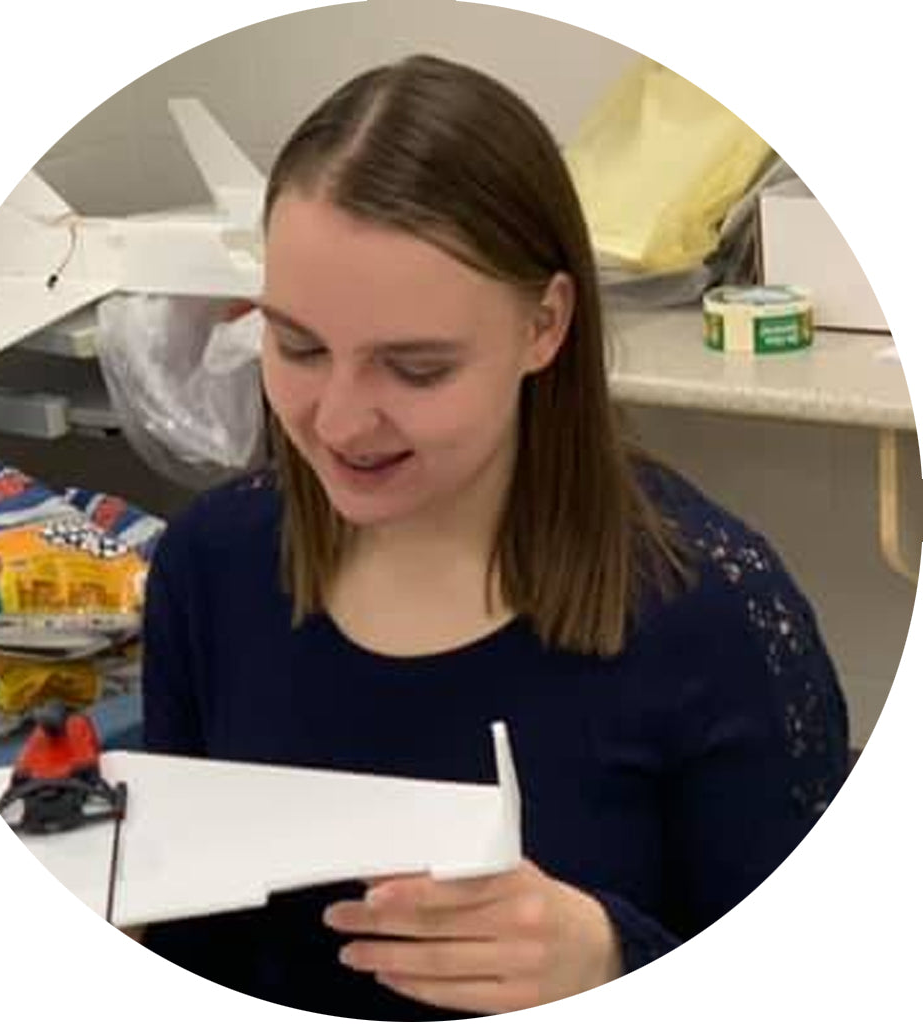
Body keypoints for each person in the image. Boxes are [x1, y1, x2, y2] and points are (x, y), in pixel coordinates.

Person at [138, 54, 849, 1019]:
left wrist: (611, 963)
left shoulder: (715, 616)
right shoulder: (207, 569)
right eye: (298, 346)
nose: (339, 422)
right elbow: (191, 942)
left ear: (544, 326)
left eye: (416, 368)